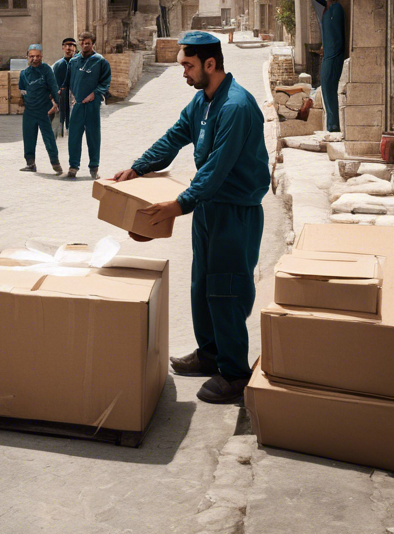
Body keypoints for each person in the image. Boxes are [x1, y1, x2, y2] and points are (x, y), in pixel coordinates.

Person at [112, 32, 270, 405]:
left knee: (227, 290)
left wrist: (176, 206)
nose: (183, 72)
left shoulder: (236, 107)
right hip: (210, 208)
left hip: (235, 211)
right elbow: (174, 137)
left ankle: (234, 374)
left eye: (187, 65)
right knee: (202, 285)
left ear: (210, 64)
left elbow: (216, 170)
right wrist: (138, 167)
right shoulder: (202, 101)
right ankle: (211, 354)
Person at [66, 31, 111, 179]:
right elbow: (68, 81)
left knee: (93, 137)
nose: (86, 46)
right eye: (83, 43)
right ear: (80, 43)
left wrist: (94, 94)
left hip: (92, 105)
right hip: (77, 105)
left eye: (88, 43)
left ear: (93, 44)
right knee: (74, 136)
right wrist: (71, 96)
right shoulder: (73, 61)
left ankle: (94, 167)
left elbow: (105, 82)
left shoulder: (100, 61)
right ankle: (73, 167)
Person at [305, 0, 345, 133]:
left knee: (328, 85)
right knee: (326, 86)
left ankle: (334, 127)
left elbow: (337, 35)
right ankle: (332, 126)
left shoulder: (334, 8)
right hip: (328, 53)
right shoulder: (319, 4)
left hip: (334, 54)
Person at [18, 44, 62, 174]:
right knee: (28, 138)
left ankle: (55, 163)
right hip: (29, 112)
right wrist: (24, 103)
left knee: (49, 138)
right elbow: (22, 90)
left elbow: (54, 88)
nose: (35, 59)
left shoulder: (47, 70)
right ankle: (30, 164)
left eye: (37, 56)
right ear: (27, 57)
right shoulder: (24, 74)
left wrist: (57, 104)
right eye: (32, 56)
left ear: (41, 56)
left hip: (44, 111)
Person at [51, 37, 77, 136]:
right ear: (62, 48)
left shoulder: (80, 63)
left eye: (70, 46)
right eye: (65, 46)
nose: (68, 48)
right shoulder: (57, 65)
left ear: (75, 48)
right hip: (61, 95)